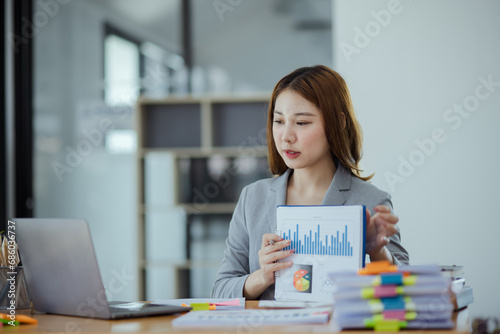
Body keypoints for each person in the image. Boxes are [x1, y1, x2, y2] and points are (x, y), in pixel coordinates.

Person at [211, 65, 409, 300]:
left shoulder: (371, 201)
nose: (286, 136)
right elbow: (219, 291)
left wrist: (378, 251)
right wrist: (263, 276)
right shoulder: (252, 198)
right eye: (279, 121)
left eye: (302, 123)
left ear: (338, 122)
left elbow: (404, 293)